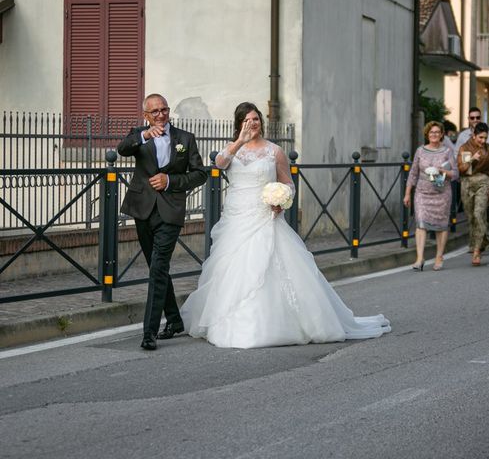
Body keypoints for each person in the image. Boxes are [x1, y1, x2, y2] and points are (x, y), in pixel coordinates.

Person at [180, 102, 391, 349]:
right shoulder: (232, 150)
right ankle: (226, 319)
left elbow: (288, 183)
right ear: (239, 123)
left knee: (269, 263)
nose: (253, 123)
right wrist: (240, 140)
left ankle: (278, 323)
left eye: (256, 119)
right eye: (248, 120)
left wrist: (282, 200)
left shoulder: (275, 151)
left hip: (264, 216)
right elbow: (220, 164)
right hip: (237, 217)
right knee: (231, 266)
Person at [117, 93, 208, 350]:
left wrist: (171, 182)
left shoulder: (185, 139)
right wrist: (144, 135)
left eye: (164, 110)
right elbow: (121, 150)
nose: (161, 115)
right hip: (143, 209)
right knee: (157, 269)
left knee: (158, 268)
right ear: (146, 115)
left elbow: (200, 174)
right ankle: (176, 321)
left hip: (170, 211)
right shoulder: (139, 135)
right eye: (155, 111)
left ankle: (149, 333)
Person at [404, 121, 458, 271]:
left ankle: (439, 256)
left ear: (441, 134)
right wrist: (407, 193)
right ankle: (419, 258)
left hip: (442, 193)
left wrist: (442, 171)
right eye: (431, 132)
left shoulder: (447, 151)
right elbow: (413, 173)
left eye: (437, 132)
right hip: (422, 192)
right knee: (421, 224)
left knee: (441, 226)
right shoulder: (420, 151)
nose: (434, 135)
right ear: (427, 134)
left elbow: (455, 174)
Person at [457, 122, 489, 266]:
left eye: (485, 138)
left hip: (483, 181)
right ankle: (484, 239)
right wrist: (471, 159)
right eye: (480, 137)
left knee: (479, 213)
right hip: (467, 183)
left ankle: (476, 251)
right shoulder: (465, 148)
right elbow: (461, 169)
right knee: (470, 217)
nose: (483, 141)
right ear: (474, 136)